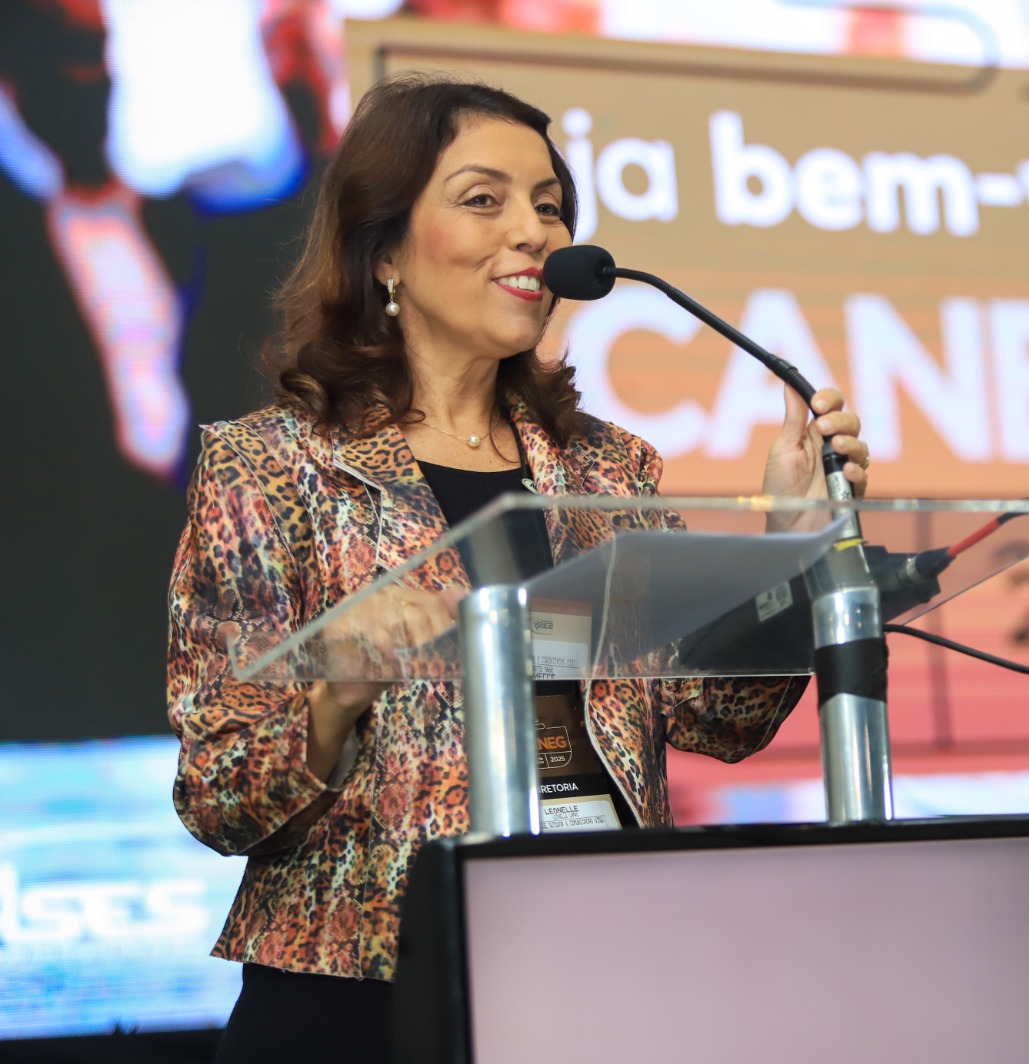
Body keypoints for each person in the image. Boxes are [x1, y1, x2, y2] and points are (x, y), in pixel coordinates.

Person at [166, 73, 869, 1064]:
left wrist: (786, 549)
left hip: (591, 973)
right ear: (385, 251)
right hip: (360, 1006)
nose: (534, 232)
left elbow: (719, 718)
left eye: (549, 205)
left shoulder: (608, 472)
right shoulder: (269, 467)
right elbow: (217, 793)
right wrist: (333, 699)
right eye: (483, 199)